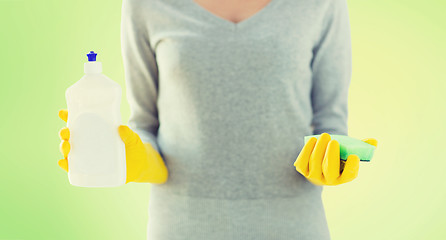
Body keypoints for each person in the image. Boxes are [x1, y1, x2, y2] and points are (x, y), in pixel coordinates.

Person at [57, 0, 377, 239]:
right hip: (179, 229)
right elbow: (145, 124)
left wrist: (332, 163)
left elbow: (329, 122)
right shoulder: (146, 5)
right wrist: (134, 160)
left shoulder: (321, 4)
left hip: (294, 227)